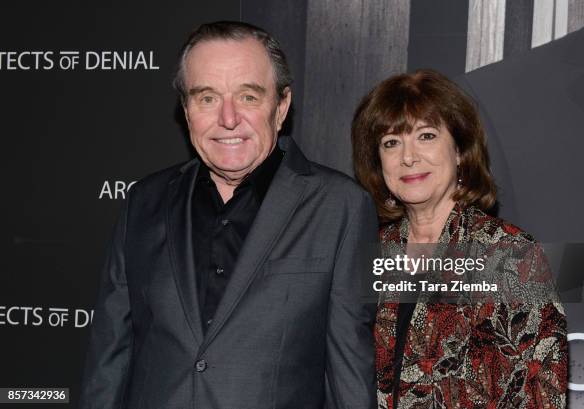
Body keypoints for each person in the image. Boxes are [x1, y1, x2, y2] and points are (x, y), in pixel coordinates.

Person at [79, 21, 378, 409]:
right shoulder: (144, 201)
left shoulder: (341, 206)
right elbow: (109, 360)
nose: (228, 118)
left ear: (281, 105)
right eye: (206, 98)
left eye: (248, 97)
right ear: (186, 110)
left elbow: (348, 369)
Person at [351, 69, 568, 408]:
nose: (408, 157)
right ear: (378, 164)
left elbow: (543, 391)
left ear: (459, 152)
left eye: (425, 136)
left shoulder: (509, 253)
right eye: (391, 143)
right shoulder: (369, 253)